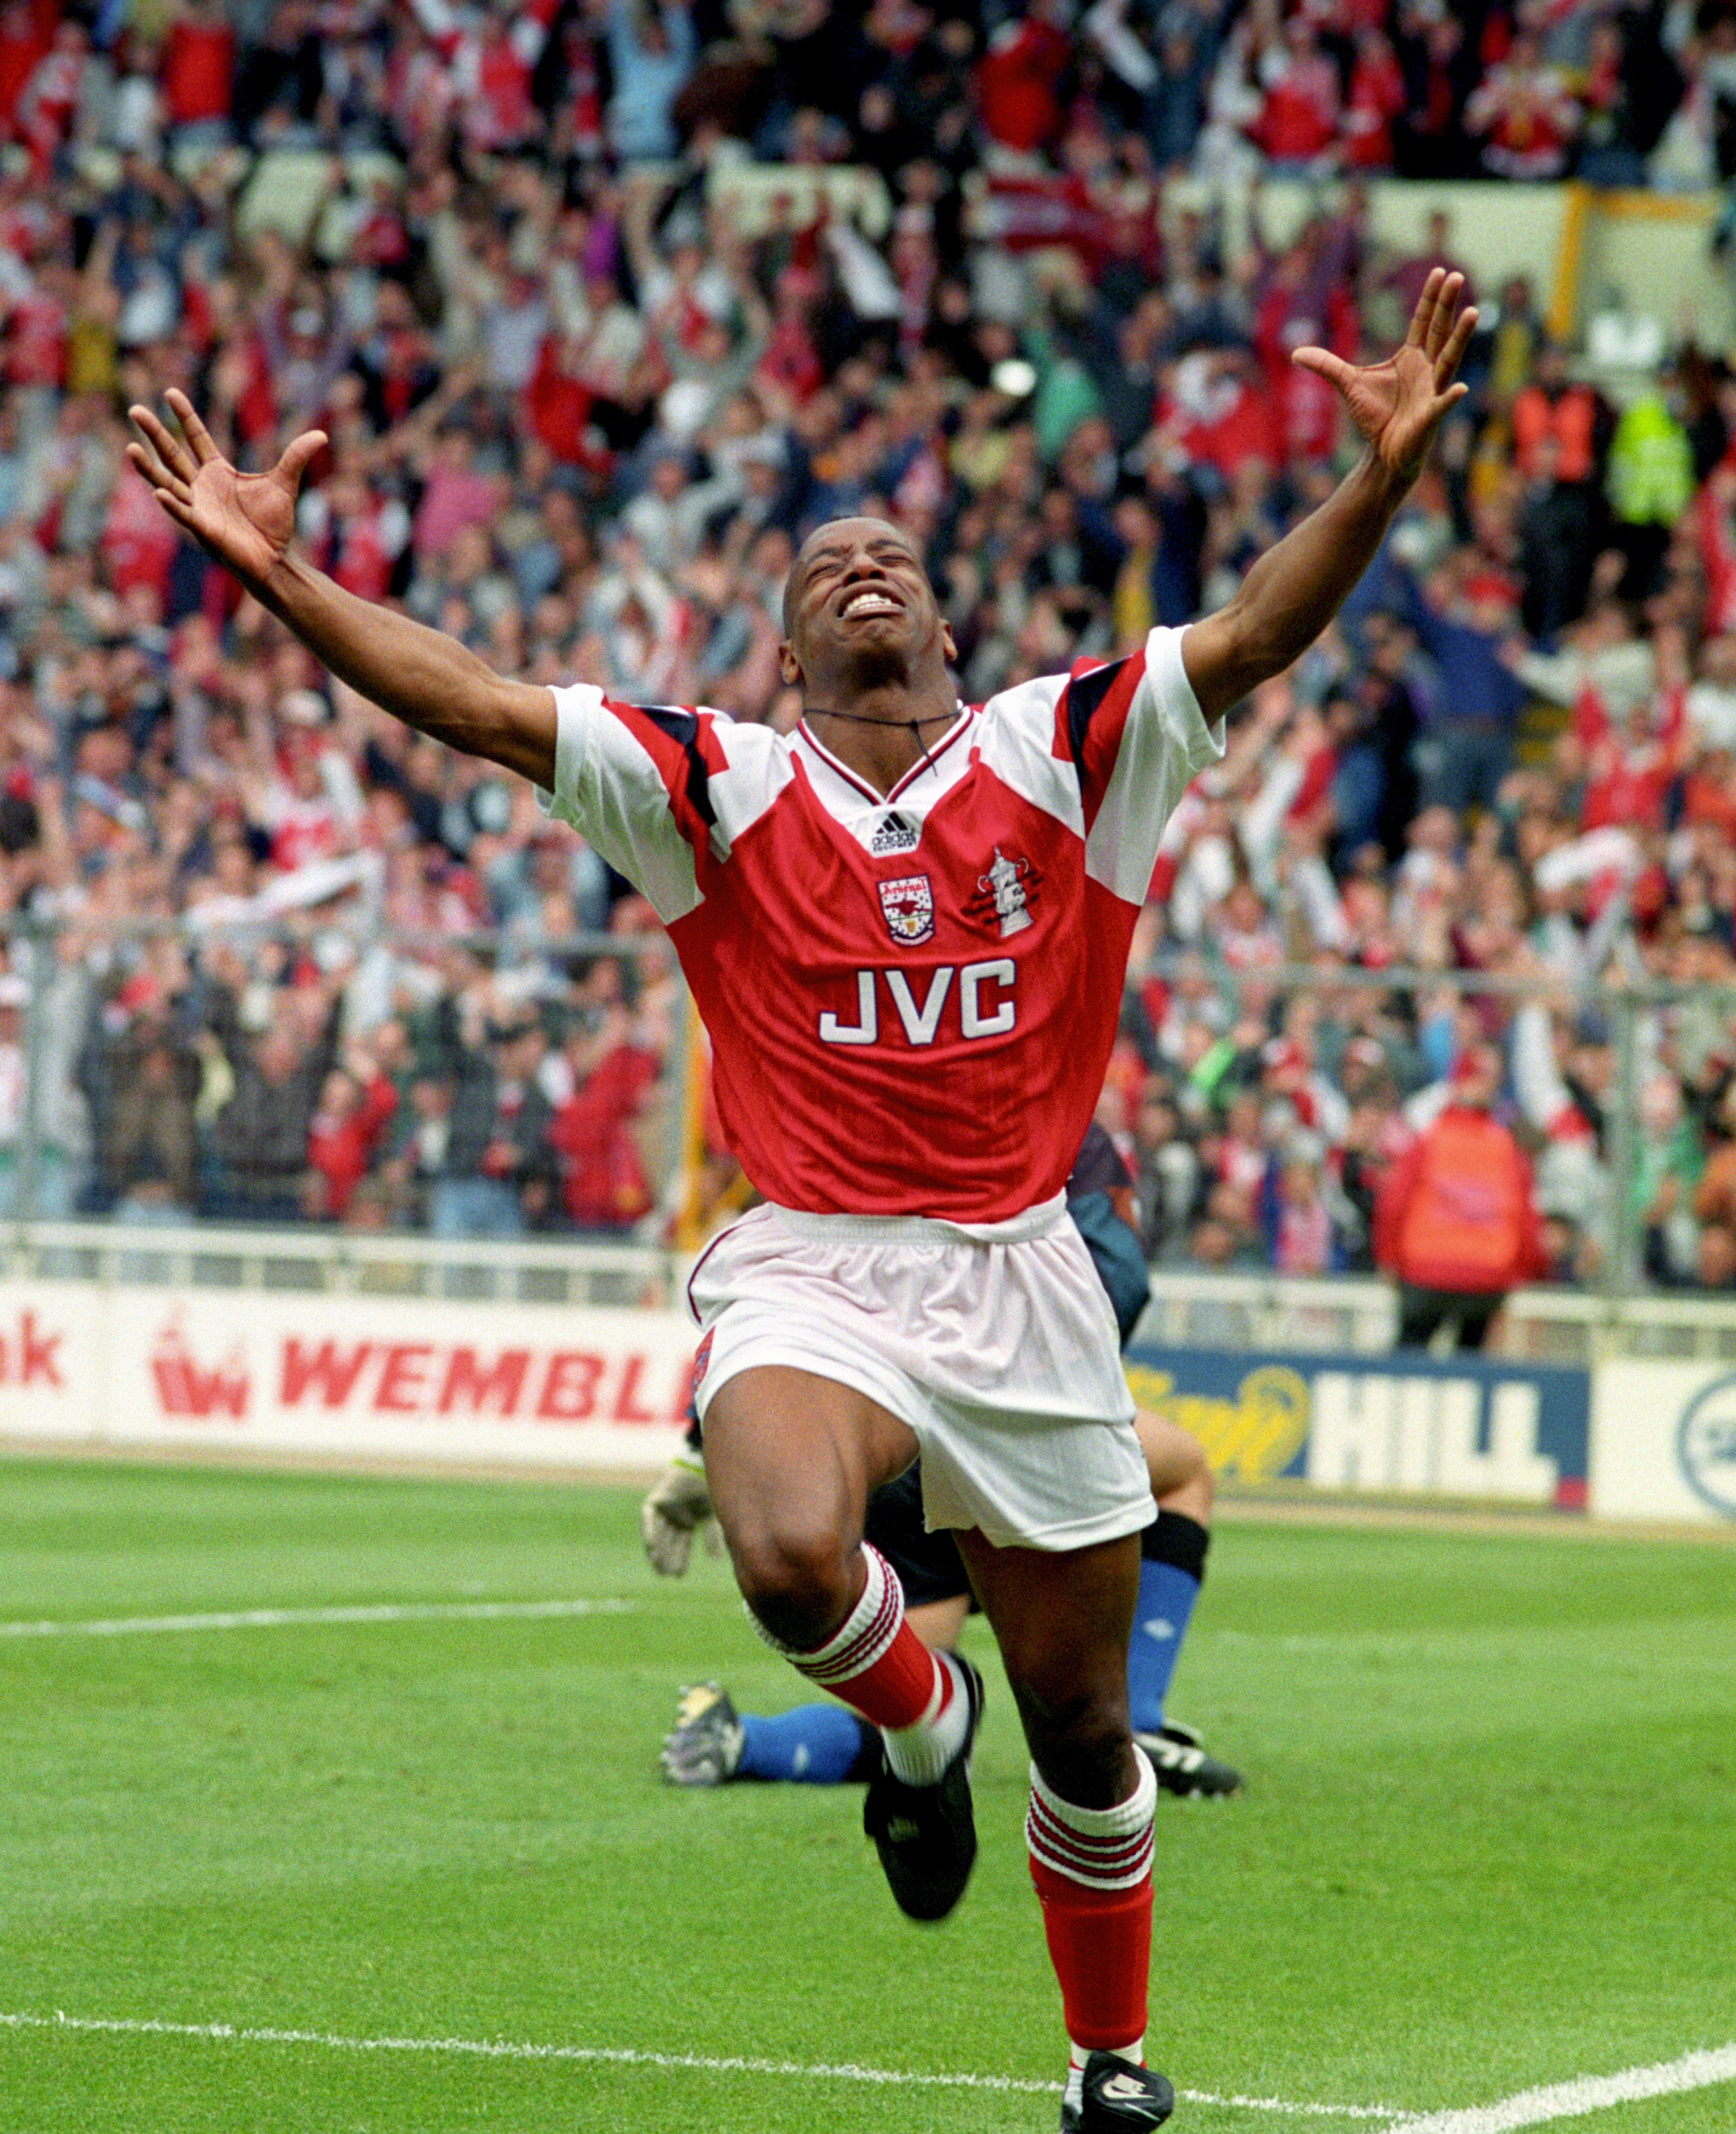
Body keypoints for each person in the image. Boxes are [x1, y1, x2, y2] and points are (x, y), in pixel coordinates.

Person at [126, 270, 1473, 2133]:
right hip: (814, 1266)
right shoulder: (711, 785)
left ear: (938, 620)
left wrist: (1382, 482)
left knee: (1086, 1733)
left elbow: (1252, 628)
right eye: (825, 559)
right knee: (776, 1547)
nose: (863, 566)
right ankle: (920, 1723)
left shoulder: (1065, 750)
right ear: (777, 652)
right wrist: (280, 577)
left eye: (892, 558)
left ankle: (1104, 2062)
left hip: (1024, 1271)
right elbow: (474, 702)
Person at [648, 1124, 1241, 1799]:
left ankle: (745, 1739)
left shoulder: (852, 1113)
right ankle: (1139, 1729)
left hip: (878, 1441)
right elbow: (1120, 1284)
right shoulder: (1059, 1123)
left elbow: (778, 1299)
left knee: (917, 1711)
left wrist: (701, 1446)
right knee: (1184, 1469)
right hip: (1008, 1423)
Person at [1373, 1041, 1547, 1351]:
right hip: (1487, 1276)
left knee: (1407, 1360)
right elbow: (1527, 1218)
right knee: (1471, 1363)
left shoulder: (1430, 1139)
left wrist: (1388, 1259)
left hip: (1425, 1270)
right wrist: (1525, 1270)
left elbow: (1393, 1203)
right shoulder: (1506, 1147)